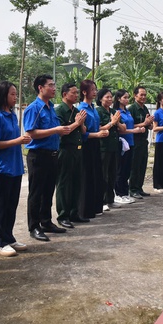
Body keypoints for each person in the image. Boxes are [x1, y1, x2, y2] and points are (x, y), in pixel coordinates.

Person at [23, 74, 72, 241]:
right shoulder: (34, 108)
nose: (54, 88)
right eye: (50, 85)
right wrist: (56, 130)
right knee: (36, 192)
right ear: (40, 88)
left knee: (48, 190)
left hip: (52, 155)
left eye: (54, 85)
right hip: (38, 155)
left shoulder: (50, 107)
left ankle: (46, 221)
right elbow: (31, 133)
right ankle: (34, 226)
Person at [0, 81, 31, 256]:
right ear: (3, 95)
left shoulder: (12, 115)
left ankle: (9, 237)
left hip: (15, 167)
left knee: (11, 205)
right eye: (12, 94)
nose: (15, 97)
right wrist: (17, 141)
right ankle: (0, 241)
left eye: (16, 94)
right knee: (1, 205)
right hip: (2, 168)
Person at [54, 83, 87, 227]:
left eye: (76, 93)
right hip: (65, 149)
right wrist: (77, 123)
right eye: (73, 93)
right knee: (64, 183)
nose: (76, 95)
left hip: (78, 149)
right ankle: (63, 215)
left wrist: (81, 123)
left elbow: (83, 131)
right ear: (64, 94)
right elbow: (63, 131)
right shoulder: (59, 110)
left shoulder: (77, 110)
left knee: (76, 182)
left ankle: (74, 212)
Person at [77, 79, 109, 219]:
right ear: (84, 92)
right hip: (86, 146)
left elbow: (97, 127)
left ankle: (96, 206)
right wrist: (97, 134)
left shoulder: (93, 109)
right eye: (92, 90)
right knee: (86, 177)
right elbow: (83, 133)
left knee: (97, 176)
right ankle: (84, 210)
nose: (95, 92)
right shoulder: (81, 109)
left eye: (96, 90)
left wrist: (104, 130)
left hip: (96, 143)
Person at [113, 89, 143, 205]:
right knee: (120, 170)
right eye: (125, 97)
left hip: (130, 143)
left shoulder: (127, 112)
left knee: (127, 170)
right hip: (122, 143)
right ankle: (119, 193)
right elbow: (120, 130)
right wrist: (135, 131)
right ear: (118, 99)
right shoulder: (117, 112)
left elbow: (129, 125)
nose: (127, 99)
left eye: (127, 97)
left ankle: (125, 193)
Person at [96, 87, 121, 210]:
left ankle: (111, 199)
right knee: (103, 175)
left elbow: (120, 127)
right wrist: (112, 123)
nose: (110, 99)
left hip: (114, 147)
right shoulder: (99, 112)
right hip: (103, 147)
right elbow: (99, 128)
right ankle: (102, 201)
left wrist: (117, 122)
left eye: (111, 97)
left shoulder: (113, 111)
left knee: (112, 174)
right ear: (100, 99)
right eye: (107, 97)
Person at [128, 86, 154, 199]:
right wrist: (144, 123)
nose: (143, 97)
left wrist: (149, 124)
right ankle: (132, 189)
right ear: (135, 95)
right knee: (135, 165)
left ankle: (139, 187)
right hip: (135, 141)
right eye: (141, 95)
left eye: (145, 95)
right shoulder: (132, 109)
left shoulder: (145, 109)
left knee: (143, 165)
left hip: (144, 141)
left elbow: (148, 124)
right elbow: (130, 126)